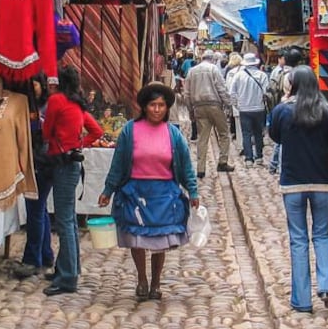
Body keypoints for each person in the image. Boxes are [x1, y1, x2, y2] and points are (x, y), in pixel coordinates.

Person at [269, 66, 328, 312]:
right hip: (322, 183)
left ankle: (302, 300)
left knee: (298, 239)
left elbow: (274, 136)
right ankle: (327, 285)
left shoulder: (282, 112)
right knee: (322, 235)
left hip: (292, 184)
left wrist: (283, 103)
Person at [98, 82, 200, 302]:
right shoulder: (130, 131)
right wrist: (108, 189)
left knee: (159, 242)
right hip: (136, 193)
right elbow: (118, 163)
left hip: (164, 194)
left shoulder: (173, 134)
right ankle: (142, 279)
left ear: (166, 108)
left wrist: (193, 191)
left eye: (161, 105)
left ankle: (156, 283)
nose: (157, 110)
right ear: (144, 107)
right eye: (153, 105)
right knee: (137, 239)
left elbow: (185, 165)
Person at [42, 66, 103, 296]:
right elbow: (96, 130)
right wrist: (80, 144)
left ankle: (67, 278)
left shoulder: (57, 101)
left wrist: (65, 144)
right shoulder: (78, 104)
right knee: (69, 219)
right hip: (74, 163)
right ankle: (68, 268)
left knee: (65, 220)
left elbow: (47, 132)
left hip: (62, 163)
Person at [14, 74, 54, 279]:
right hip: (39, 161)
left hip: (42, 162)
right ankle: (45, 255)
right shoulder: (33, 104)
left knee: (35, 210)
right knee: (40, 209)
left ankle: (32, 260)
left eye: (35, 84)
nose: (32, 87)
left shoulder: (46, 106)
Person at [183, 49, 234, 178]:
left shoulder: (192, 71)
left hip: (198, 107)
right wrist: (228, 104)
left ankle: (200, 168)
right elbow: (221, 88)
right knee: (223, 134)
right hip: (214, 105)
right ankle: (222, 162)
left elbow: (187, 93)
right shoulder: (213, 69)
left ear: (202, 58)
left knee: (202, 137)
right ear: (212, 59)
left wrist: (190, 110)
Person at [229, 52, 269, 168]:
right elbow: (267, 92)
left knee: (246, 133)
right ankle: (260, 157)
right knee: (258, 133)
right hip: (259, 109)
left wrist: (237, 105)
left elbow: (232, 93)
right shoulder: (262, 75)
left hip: (244, 109)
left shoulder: (238, 75)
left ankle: (248, 159)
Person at [269, 47, 303, 174]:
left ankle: (274, 165)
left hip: (281, 106)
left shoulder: (281, 72)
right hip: (289, 105)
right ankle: (282, 168)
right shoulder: (293, 75)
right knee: (285, 141)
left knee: (282, 139)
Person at [223, 52, 244, 140]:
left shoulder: (230, 71)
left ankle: (236, 133)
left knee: (235, 116)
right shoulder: (244, 71)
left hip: (233, 97)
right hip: (243, 97)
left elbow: (227, 85)